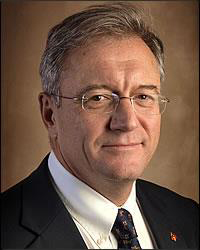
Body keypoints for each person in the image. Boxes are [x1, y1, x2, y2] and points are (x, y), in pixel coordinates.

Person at [1, 2, 199, 249]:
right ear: (50, 114)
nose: (127, 122)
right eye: (98, 98)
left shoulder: (189, 219)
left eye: (143, 96)